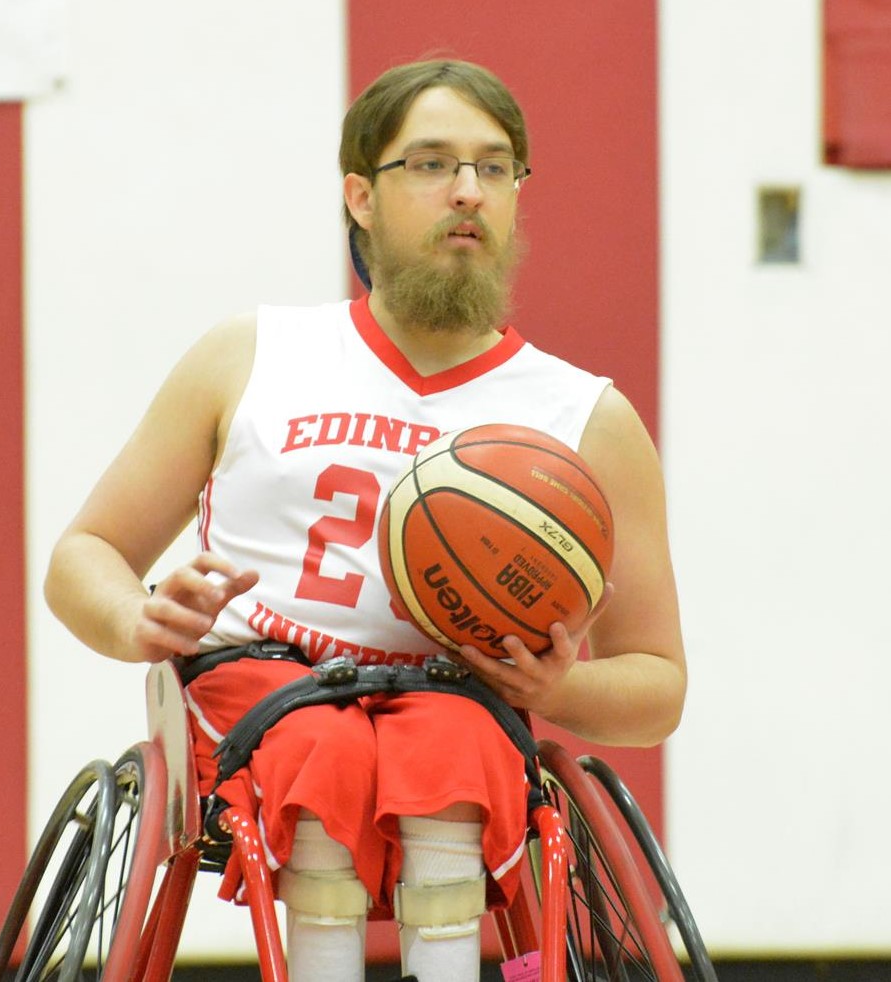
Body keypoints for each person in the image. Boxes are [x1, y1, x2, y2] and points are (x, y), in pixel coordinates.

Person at [45, 59, 686, 982]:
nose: (467, 191)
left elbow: (657, 686)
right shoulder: (250, 354)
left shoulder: (584, 418)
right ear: (360, 195)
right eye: (430, 164)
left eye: (493, 167)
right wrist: (136, 616)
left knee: (453, 747)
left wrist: (557, 690)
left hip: (462, 702)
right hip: (259, 692)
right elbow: (84, 554)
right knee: (321, 749)